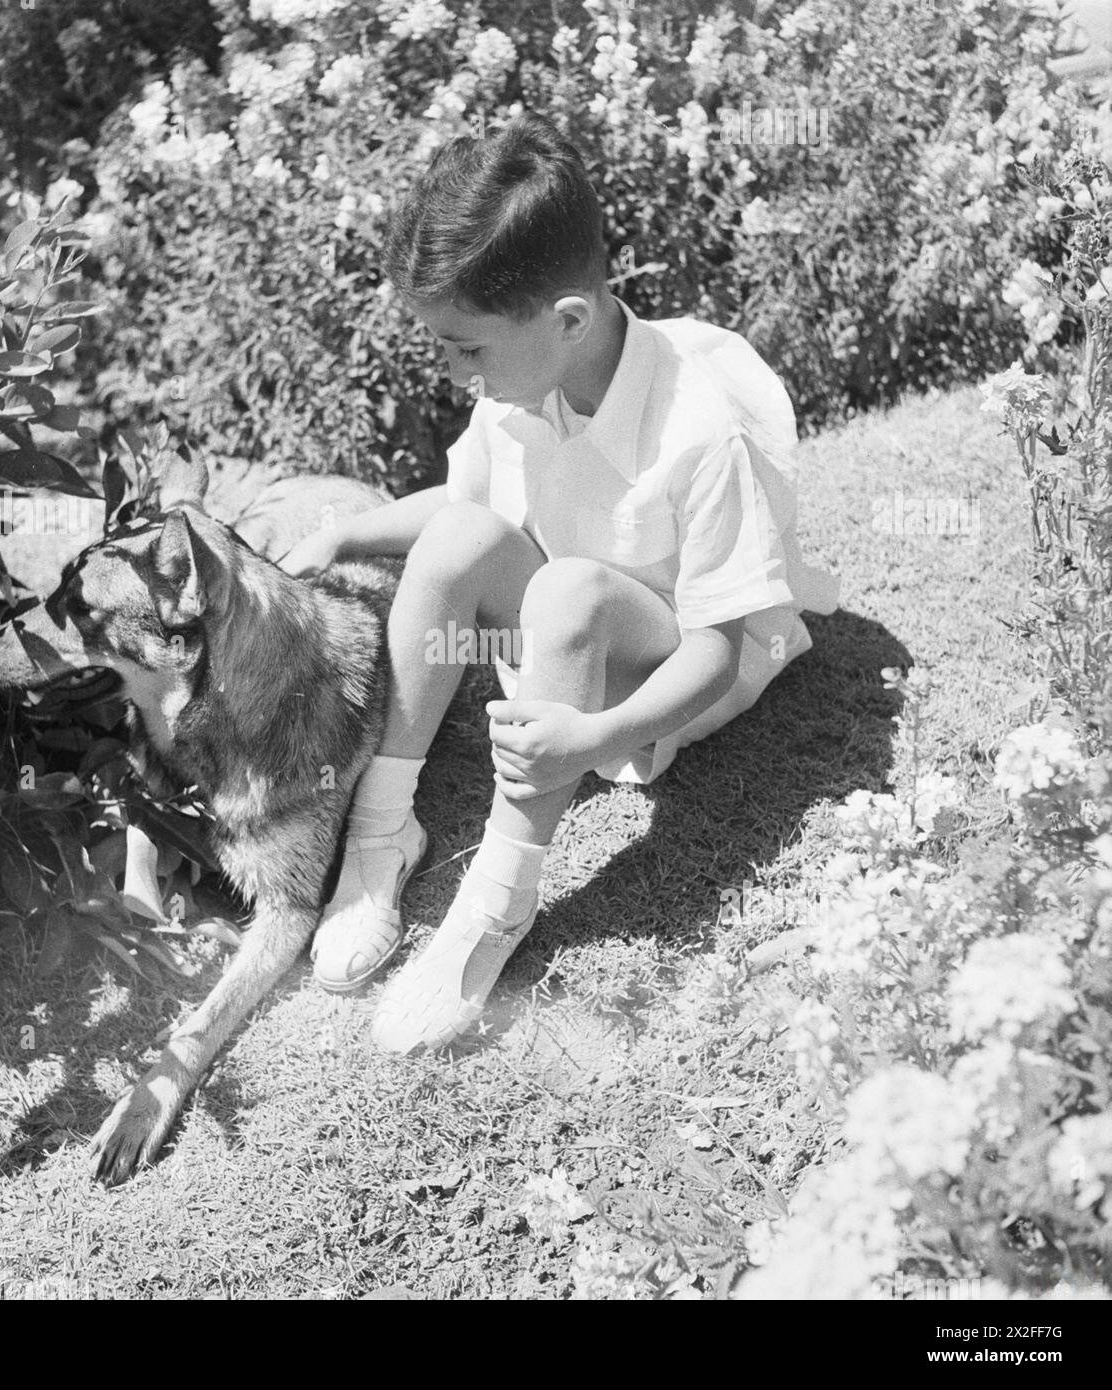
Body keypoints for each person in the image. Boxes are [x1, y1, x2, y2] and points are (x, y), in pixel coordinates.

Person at [278, 112, 839, 1054]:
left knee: (571, 590)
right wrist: (338, 538)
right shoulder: (527, 378)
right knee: (458, 536)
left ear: (567, 319)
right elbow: (460, 505)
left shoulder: (696, 430)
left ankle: (496, 903)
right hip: (553, 643)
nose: (455, 370)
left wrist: (600, 735)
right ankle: (382, 835)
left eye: (467, 347)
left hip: (655, 671)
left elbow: (719, 646)